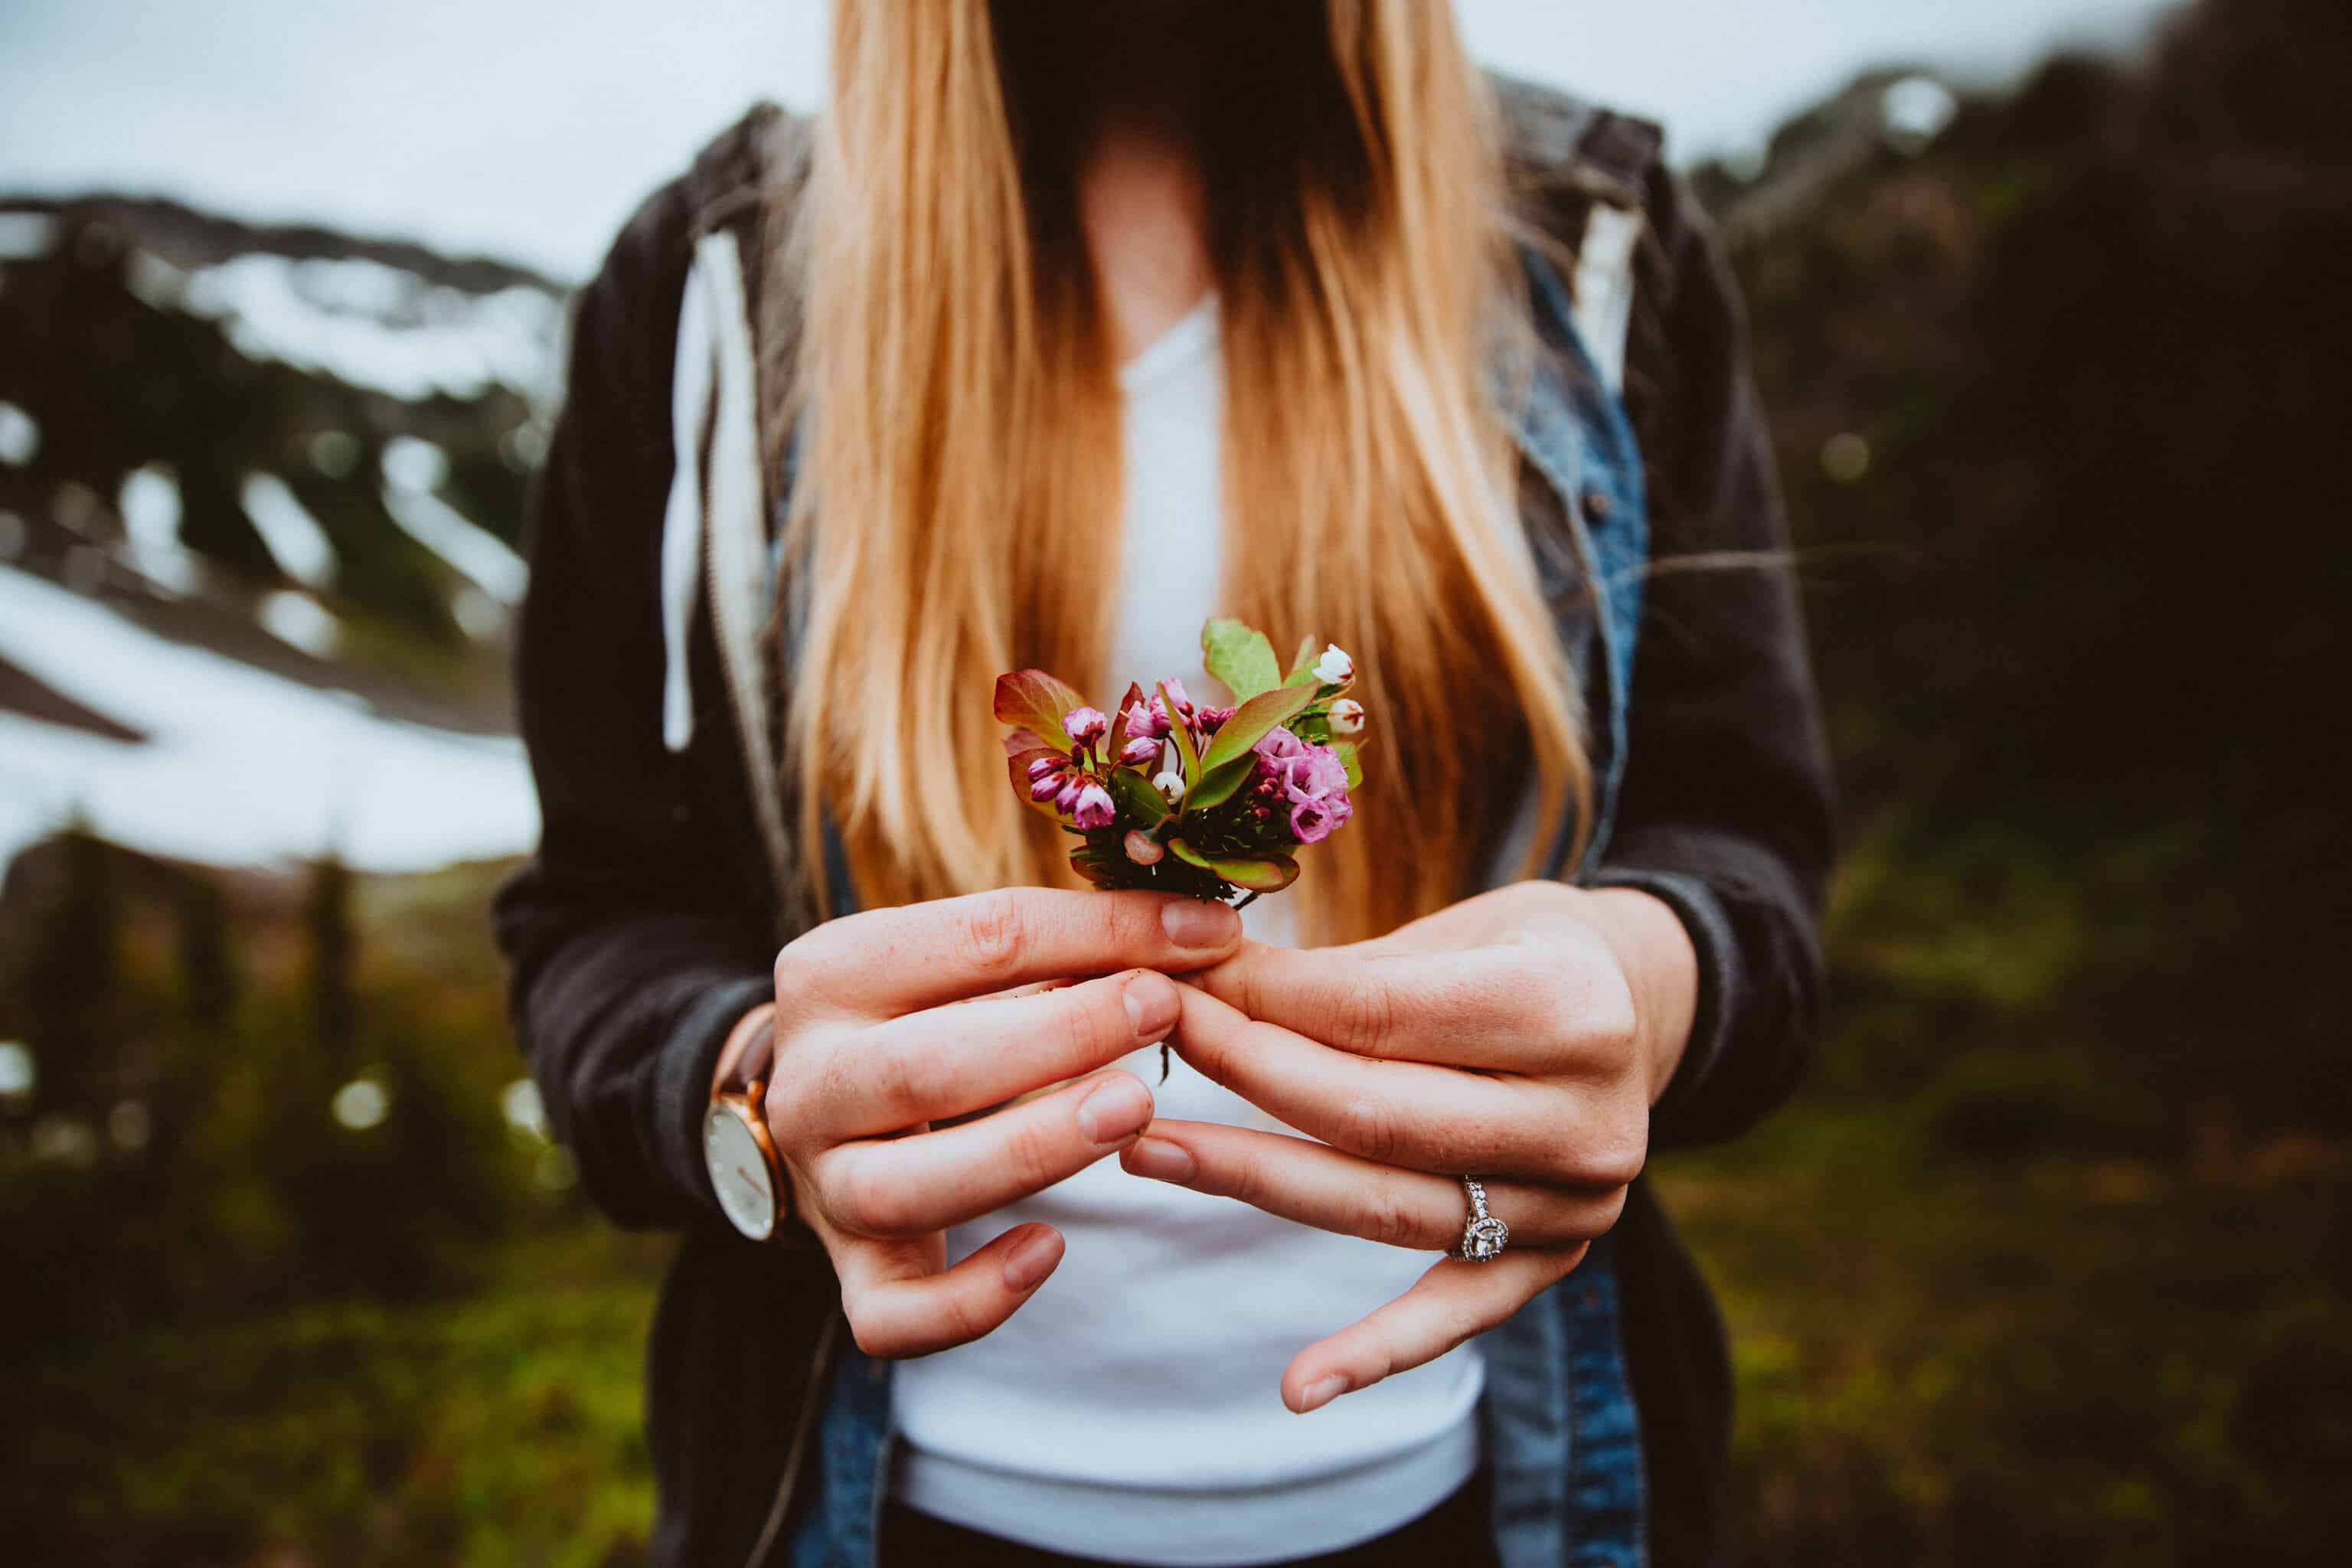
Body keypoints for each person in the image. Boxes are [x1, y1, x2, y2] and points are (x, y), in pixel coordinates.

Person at [492, 4, 1834, 1566]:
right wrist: (754, 1091)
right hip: (881, 1505)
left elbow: (1749, 853)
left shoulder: (1600, 242)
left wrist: (1649, 979)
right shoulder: (711, 288)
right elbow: (595, 916)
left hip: (1486, 1484)